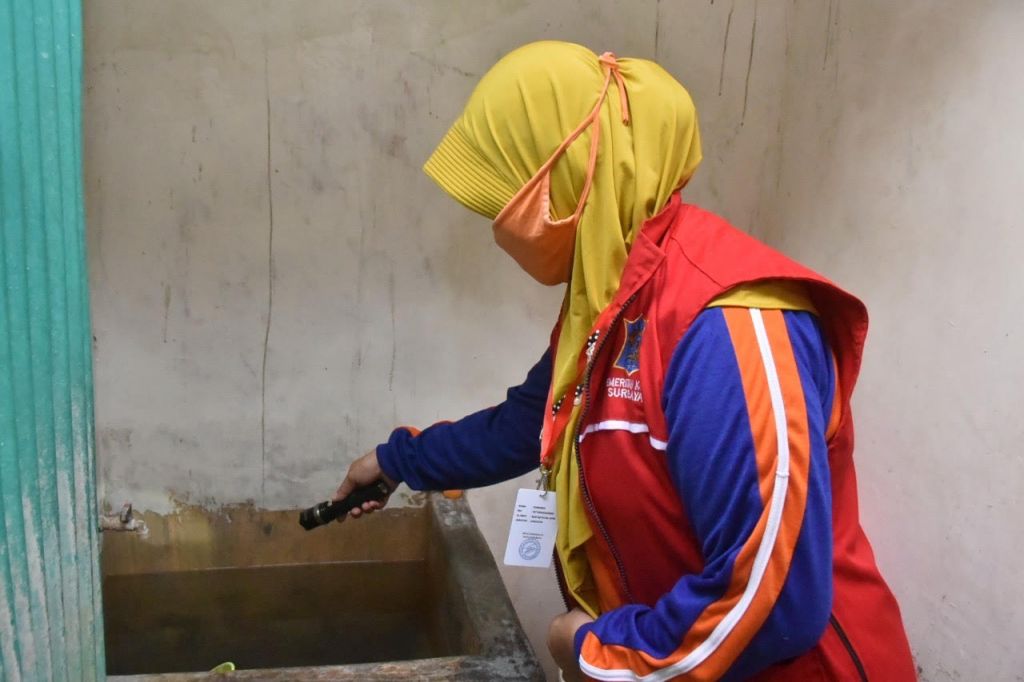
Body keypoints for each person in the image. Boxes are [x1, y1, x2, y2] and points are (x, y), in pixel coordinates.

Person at [334, 41, 916, 681]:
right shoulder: (611, 299)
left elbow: (773, 604)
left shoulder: (727, 326)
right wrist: (395, 462)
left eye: (508, 193)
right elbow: (529, 423)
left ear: (573, 173)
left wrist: (589, 648)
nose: (498, 223)